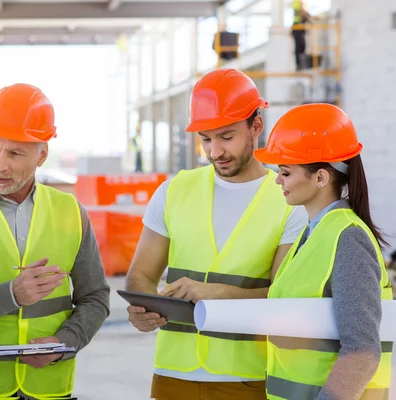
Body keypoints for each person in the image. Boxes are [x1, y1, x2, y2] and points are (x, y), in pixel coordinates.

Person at [124, 67, 309, 400]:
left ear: (256, 126)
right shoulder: (174, 191)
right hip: (172, 374)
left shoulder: (289, 201)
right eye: (206, 139)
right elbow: (140, 274)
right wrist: (141, 308)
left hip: (248, 377)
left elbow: (282, 299)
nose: (214, 152)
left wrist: (215, 292)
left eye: (226, 137)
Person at [0, 83, 110, 400]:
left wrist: (63, 343)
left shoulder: (71, 213)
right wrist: (11, 294)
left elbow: (95, 297)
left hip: (49, 388)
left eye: (15, 153)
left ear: (42, 155)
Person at [254, 103, 393, 399]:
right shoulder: (313, 234)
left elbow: (362, 353)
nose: (278, 180)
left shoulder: (348, 239)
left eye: (286, 172)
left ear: (320, 177)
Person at [292, 0, 312, 70]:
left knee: (302, 46)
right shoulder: (298, 1)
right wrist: (310, 17)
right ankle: (299, 65)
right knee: (299, 47)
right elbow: (302, 11)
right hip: (297, 27)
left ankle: (301, 64)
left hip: (300, 27)